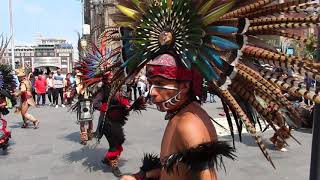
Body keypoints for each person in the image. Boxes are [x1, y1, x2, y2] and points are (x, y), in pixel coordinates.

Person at [121, 54, 235, 180]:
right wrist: (141, 176)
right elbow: (173, 170)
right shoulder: (179, 114)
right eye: (151, 83)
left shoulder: (189, 125)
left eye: (159, 83)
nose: (152, 92)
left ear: (185, 86)